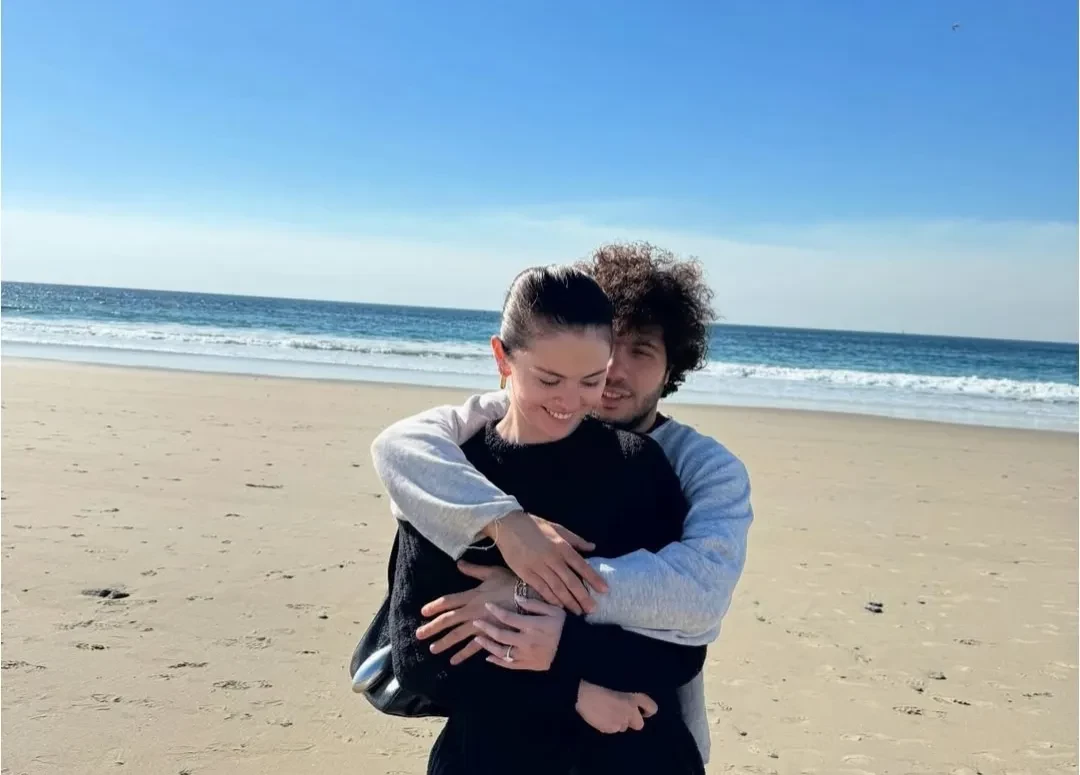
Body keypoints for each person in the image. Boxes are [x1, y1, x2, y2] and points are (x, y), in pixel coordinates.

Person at [373, 242, 754, 764]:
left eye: (640, 351)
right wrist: (508, 526)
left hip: (639, 744)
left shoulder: (673, 468)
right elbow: (421, 654)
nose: (611, 373)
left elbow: (694, 613)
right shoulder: (454, 466)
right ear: (506, 360)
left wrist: (529, 593)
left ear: (674, 367)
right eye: (553, 376)